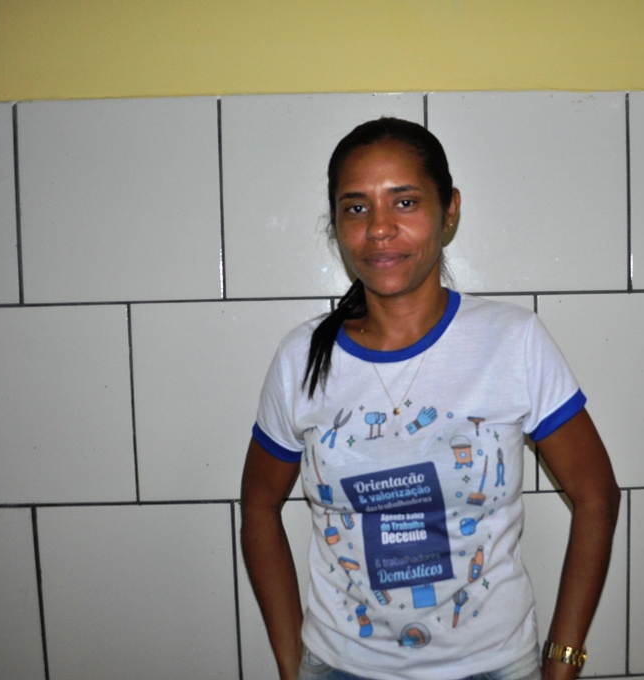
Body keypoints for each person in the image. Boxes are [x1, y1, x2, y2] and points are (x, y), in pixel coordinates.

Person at [241, 117, 619, 680]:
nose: (379, 228)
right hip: (342, 668)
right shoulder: (302, 358)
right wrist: (292, 666)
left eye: (405, 202)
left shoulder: (512, 341)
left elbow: (597, 495)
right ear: (337, 224)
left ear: (449, 210)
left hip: (494, 668)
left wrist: (563, 663)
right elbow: (257, 505)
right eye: (356, 207)